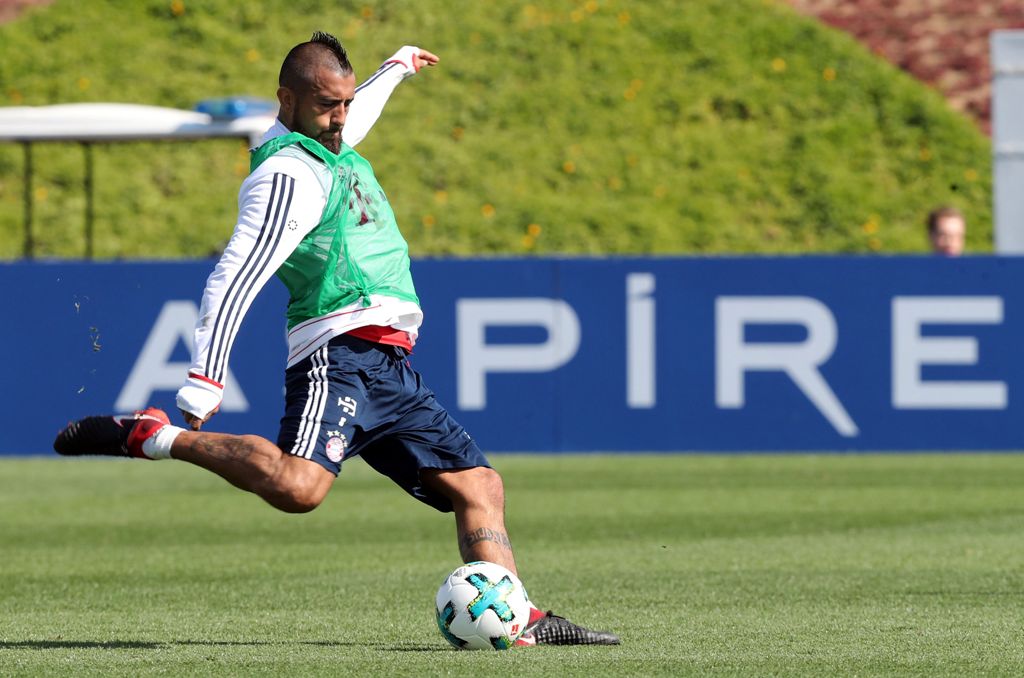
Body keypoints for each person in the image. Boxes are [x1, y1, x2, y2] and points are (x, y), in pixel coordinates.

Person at [54, 31, 618, 647]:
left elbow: (355, 109)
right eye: (328, 105)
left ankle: (522, 620)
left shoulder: (326, 135)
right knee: (300, 490)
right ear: (285, 100)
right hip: (339, 352)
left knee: (479, 487)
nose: (341, 117)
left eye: (345, 103)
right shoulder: (286, 176)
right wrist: (205, 377)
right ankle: (154, 436)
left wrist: (395, 68)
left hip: (388, 364)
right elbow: (236, 275)